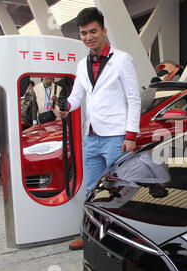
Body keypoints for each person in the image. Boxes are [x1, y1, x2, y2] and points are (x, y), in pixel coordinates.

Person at [54, 7, 141, 251]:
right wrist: (64, 108)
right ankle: (91, 233)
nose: (88, 37)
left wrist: (131, 136)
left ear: (103, 30)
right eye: (83, 33)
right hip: (91, 137)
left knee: (119, 189)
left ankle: (123, 240)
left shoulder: (122, 59)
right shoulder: (82, 65)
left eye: (93, 31)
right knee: (92, 189)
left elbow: (134, 99)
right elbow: (76, 97)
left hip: (116, 136)